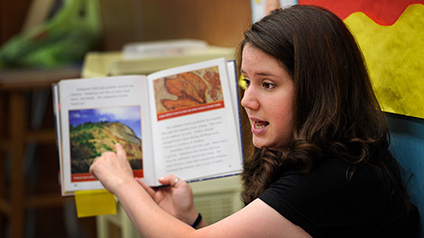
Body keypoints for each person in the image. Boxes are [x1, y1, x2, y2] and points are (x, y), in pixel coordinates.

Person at [89, 5, 417, 237]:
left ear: (316, 90)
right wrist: (190, 218)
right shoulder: (321, 162)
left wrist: (122, 183)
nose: (248, 100)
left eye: (268, 84)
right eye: (247, 82)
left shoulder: (331, 179)